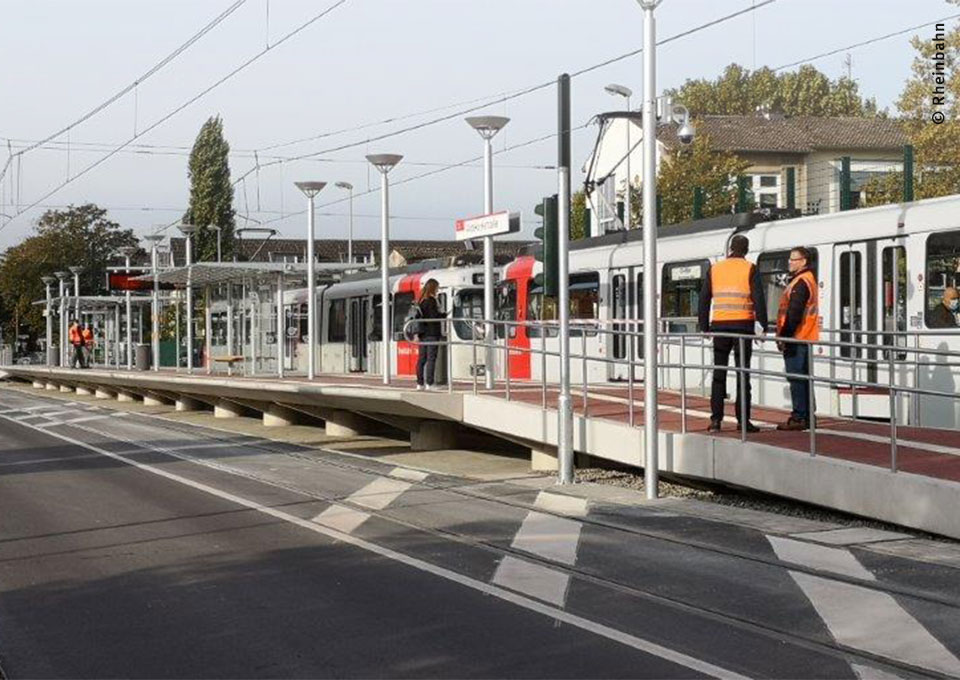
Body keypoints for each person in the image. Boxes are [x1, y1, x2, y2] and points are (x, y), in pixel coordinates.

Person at [698, 234, 767, 433]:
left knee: (719, 374)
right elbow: (759, 300)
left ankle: (716, 420)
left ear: (730, 249)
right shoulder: (750, 268)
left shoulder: (716, 268)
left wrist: (704, 327)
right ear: (745, 250)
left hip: (719, 327)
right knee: (743, 375)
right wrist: (762, 326)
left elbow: (704, 299)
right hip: (743, 329)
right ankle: (743, 421)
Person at [775, 246, 820, 431]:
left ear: (803, 261)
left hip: (797, 337)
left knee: (796, 378)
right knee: (804, 378)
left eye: (793, 260)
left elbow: (794, 313)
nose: (789, 263)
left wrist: (784, 337)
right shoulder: (807, 280)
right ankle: (808, 415)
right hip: (805, 336)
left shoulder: (800, 283)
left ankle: (799, 416)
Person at [415, 278, 444, 391]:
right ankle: (430, 383)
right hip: (432, 333)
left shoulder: (421, 300)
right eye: (437, 287)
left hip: (423, 333)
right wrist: (443, 315)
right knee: (431, 358)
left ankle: (419, 383)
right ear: (433, 287)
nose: (437, 289)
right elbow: (433, 316)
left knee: (422, 359)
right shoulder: (431, 300)